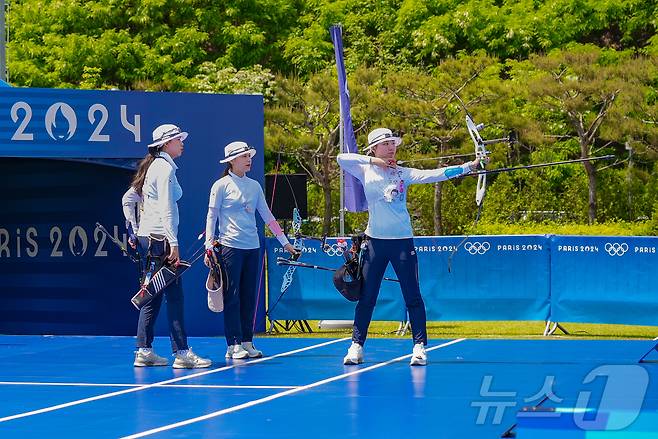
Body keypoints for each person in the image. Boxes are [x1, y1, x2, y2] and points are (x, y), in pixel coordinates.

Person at [337, 127, 486, 366]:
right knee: (367, 297)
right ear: (374, 148)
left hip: (402, 243)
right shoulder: (364, 170)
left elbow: (435, 174)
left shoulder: (403, 172)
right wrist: (377, 161)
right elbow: (342, 158)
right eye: (385, 143)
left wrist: (469, 166)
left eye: (392, 143)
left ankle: (419, 346)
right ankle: (356, 345)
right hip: (375, 242)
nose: (391, 147)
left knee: (412, 295)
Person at [123, 123, 212, 369]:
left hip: (149, 238)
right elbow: (167, 209)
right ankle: (181, 352)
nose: (182, 142)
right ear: (166, 144)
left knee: (151, 296)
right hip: (160, 240)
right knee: (175, 297)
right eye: (177, 139)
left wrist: (134, 228)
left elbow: (134, 199)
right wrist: (173, 243)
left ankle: (144, 350)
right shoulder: (162, 168)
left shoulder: (158, 167)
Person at [204, 141, 299, 360]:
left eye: (249, 156)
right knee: (233, 296)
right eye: (244, 156)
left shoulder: (254, 186)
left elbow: (267, 216)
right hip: (229, 247)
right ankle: (233, 344)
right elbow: (212, 216)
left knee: (248, 297)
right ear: (232, 161)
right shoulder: (221, 185)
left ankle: (247, 341)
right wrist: (209, 244)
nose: (249, 160)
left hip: (252, 247)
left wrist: (284, 242)